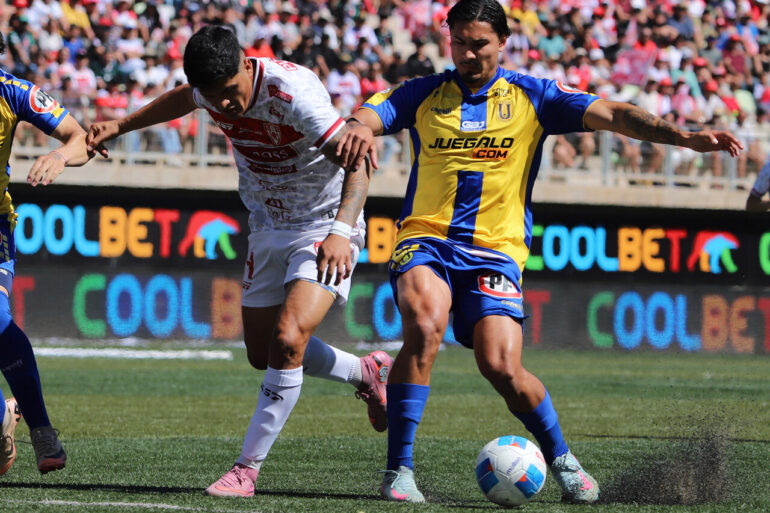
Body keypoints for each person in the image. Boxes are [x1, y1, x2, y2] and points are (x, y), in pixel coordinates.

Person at [340, 0, 743, 503]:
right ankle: (398, 471)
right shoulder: (423, 94)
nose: (468, 52)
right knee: (424, 327)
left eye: (479, 43)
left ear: (504, 42)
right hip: (426, 239)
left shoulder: (535, 97)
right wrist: (357, 125)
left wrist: (683, 137)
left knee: (502, 368)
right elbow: (371, 112)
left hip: (496, 252)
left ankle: (563, 460)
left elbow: (616, 113)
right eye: (459, 42)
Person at [84, 25, 388, 498]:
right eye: (215, 97)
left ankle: (246, 469)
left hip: (323, 224)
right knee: (262, 353)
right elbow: (185, 98)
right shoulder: (207, 91)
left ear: (247, 66)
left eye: (230, 93)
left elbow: (359, 158)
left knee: (288, 340)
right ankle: (365, 372)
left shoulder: (294, 94)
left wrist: (341, 232)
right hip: (267, 225)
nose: (225, 105)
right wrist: (120, 125)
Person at [0, 31, 92, 476]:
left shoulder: (14, 92)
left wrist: (61, 155)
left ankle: (38, 429)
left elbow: (80, 136)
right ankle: (6, 415)